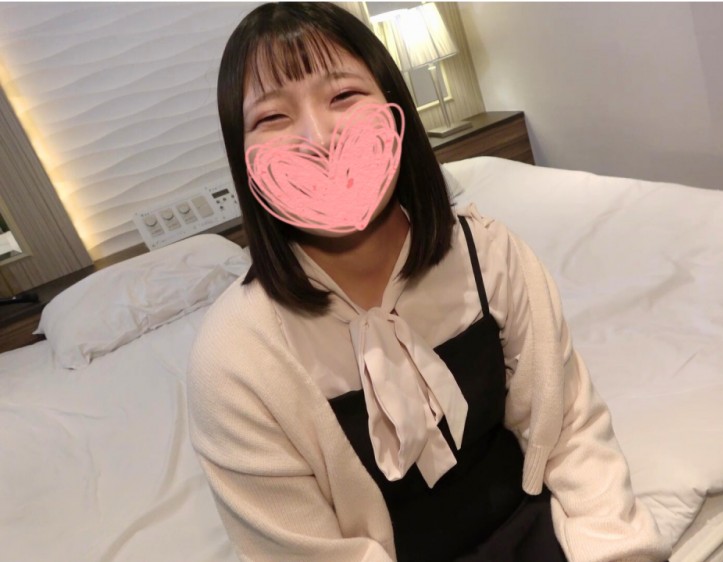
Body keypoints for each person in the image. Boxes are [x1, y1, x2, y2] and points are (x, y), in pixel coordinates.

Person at [187, 3, 669, 561]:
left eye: (342, 95)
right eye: (272, 117)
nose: (318, 137)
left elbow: (570, 429)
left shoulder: (488, 252)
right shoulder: (235, 360)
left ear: (396, 110)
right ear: (243, 159)